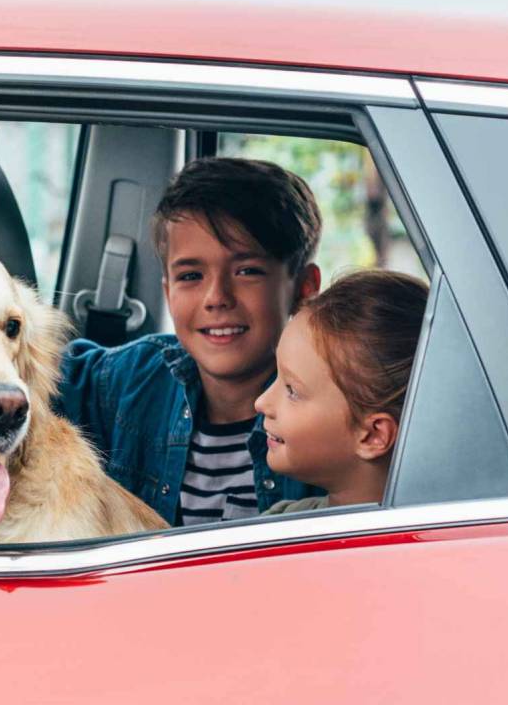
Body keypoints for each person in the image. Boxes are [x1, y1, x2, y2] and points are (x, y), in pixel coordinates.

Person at [56, 157, 324, 525]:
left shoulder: (334, 412)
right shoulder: (124, 381)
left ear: (304, 288)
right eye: (191, 275)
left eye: (247, 271)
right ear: (167, 291)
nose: (217, 297)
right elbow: (20, 371)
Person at [257, 270, 429, 514]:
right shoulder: (277, 522)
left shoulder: (278, 535)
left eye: (291, 390)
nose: (261, 402)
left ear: (372, 435)